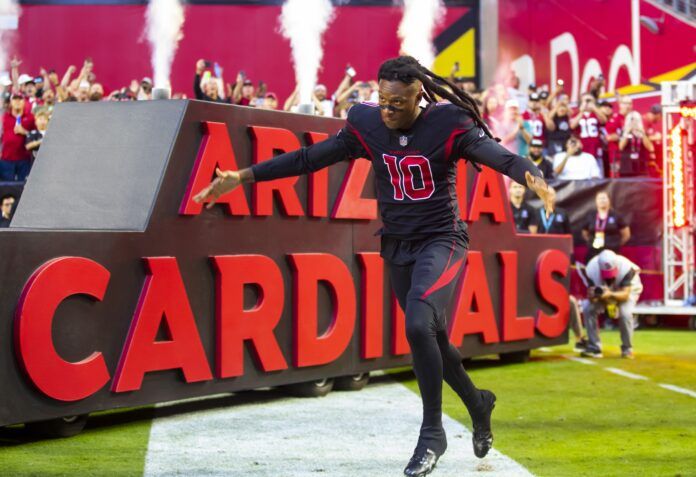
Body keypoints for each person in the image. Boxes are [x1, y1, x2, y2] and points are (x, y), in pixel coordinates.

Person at [192, 55, 553, 477]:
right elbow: (309, 158)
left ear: (419, 96)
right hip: (398, 246)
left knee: (419, 325)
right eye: (381, 100)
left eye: (396, 103)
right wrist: (243, 176)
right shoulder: (367, 123)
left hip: (442, 240)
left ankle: (431, 434)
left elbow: (500, 157)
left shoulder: (446, 123)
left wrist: (532, 175)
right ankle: (477, 402)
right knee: (432, 337)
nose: (386, 110)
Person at [580, 250, 643, 359]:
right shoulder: (591, 269)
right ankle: (594, 347)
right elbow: (592, 299)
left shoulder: (626, 267)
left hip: (628, 289)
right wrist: (593, 297)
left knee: (625, 313)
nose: (609, 278)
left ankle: (627, 348)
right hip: (605, 293)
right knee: (587, 308)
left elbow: (625, 295)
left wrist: (610, 294)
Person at [581, 191, 630, 261]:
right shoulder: (590, 215)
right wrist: (590, 242)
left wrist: (615, 244)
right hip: (593, 253)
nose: (602, 200)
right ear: (596, 201)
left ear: (609, 200)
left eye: (604, 198)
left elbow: (626, 234)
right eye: (599, 198)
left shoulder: (616, 215)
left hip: (612, 253)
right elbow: (584, 232)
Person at [1, 93, 35, 181]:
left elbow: (36, 135)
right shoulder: (4, 117)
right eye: (15, 99)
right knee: (6, 188)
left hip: (24, 159)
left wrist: (24, 132)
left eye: (20, 99)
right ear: (10, 102)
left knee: (23, 186)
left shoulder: (30, 117)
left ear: (24, 102)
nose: (17, 101)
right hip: (6, 159)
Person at [618, 111, 653, 176]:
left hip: (641, 166)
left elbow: (650, 148)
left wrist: (642, 133)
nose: (634, 123)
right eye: (631, 120)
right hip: (626, 167)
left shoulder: (643, 132)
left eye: (636, 120)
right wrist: (627, 132)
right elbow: (621, 147)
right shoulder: (623, 132)